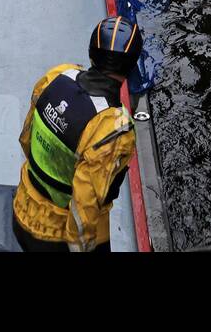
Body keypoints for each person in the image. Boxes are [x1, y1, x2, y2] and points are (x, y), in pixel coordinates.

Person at [12, 16, 142, 253]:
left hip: (22, 207)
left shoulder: (56, 76)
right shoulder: (113, 129)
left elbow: (26, 139)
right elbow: (83, 208)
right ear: (132, 67)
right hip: (54, 238)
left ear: (91, 53)